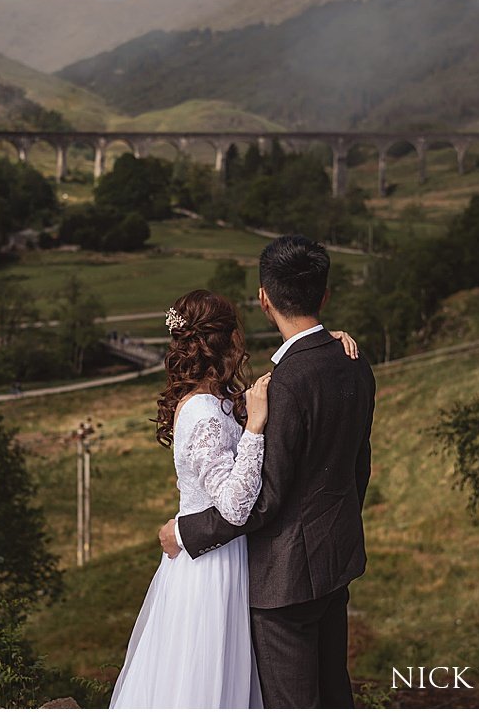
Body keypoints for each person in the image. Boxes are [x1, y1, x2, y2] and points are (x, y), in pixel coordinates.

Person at [108, 281, 362, 708]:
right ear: (228, 339)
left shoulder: (223, 398)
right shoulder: (203, 413)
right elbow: (234, 504)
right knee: (206, 682)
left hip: (234, 558)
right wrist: (255, 430)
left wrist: (323, 345)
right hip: (209, 570)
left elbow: (272, 394)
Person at [162, 234, 376, 708]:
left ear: (264, 298)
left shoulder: (283, 386)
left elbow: (263, 500)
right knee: (334, 695)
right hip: (336, 560)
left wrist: (187, 531)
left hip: (284, 581)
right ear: (325, 294)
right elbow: (357, 465)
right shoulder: (354, 362)